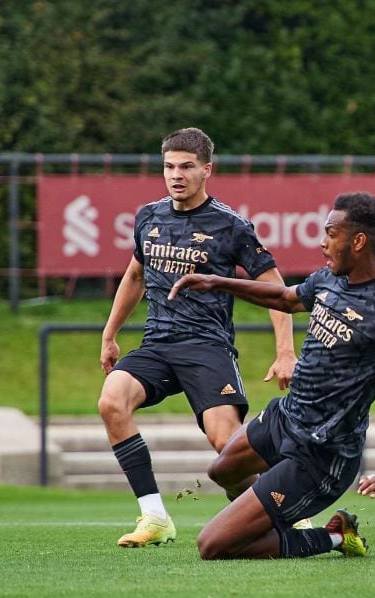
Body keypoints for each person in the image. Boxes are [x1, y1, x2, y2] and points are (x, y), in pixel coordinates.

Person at [167, 191, 375, 559]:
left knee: (212, 545)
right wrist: (218, 282)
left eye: (330, 233)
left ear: (358, 241)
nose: (322, 242)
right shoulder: (330, 277)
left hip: (322, 453)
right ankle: (273, 514)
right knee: (222, 470)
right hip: (286, 416)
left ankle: (336, 536)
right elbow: (286, 299)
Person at [98, 127, 297, 548]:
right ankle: (154, 517)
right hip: (157, 344)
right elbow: (135, 275)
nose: (176, 175)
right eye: (169, 166)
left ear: (207, 170)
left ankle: (282, 514)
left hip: (207, 347)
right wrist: (110, 332)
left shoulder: (231, 226)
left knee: (228, 447)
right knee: (111, 401)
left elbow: (276, 289)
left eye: (187, 167)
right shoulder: (148, 217)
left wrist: (285, 351)